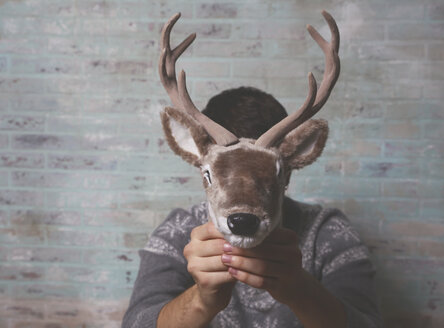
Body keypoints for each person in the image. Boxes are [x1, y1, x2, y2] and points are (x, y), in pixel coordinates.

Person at [122, 87, 382, 328]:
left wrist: (300, 290)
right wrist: (202, 300)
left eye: (263, 175)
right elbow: (136, 322)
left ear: (289, 171)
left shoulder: (328, 231)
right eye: (229, 173)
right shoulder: (179, 231)